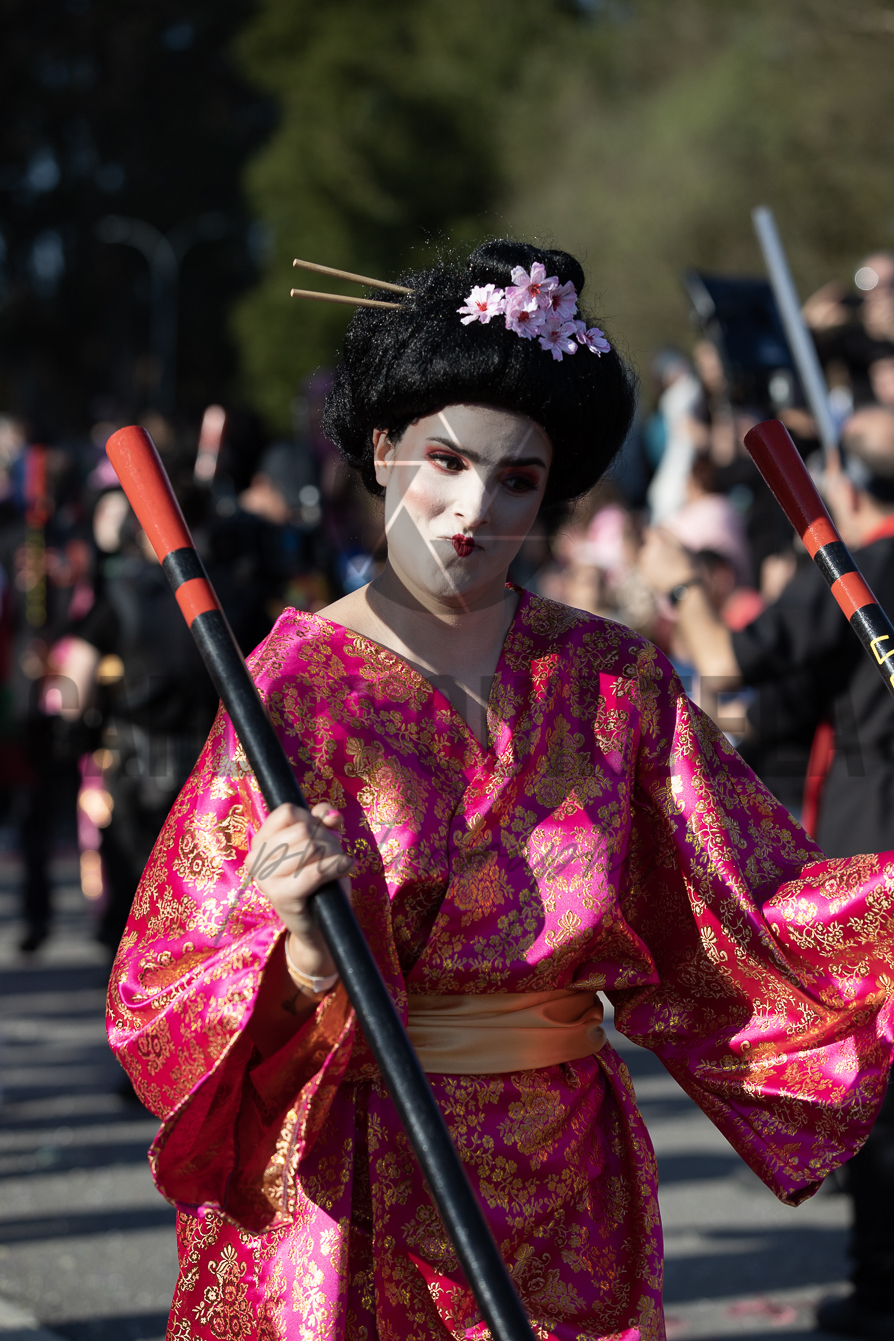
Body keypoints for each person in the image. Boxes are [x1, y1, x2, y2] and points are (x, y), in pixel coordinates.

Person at [109, 241, 894, 1341]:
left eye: (518, 479)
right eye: (446, 460)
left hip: (568, 1186)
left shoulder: (611, 678)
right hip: (355, 1176)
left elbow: (753, 910)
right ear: (382, 451)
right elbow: (161, 990)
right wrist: (296, 959)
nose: (473, 508)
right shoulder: (292, 687)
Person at [639, 403, 894, 1338]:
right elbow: (753, 707)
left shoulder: (875, 564)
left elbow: (729, 677)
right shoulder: (857, 572)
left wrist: (683, 586)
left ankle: (883, 1290)